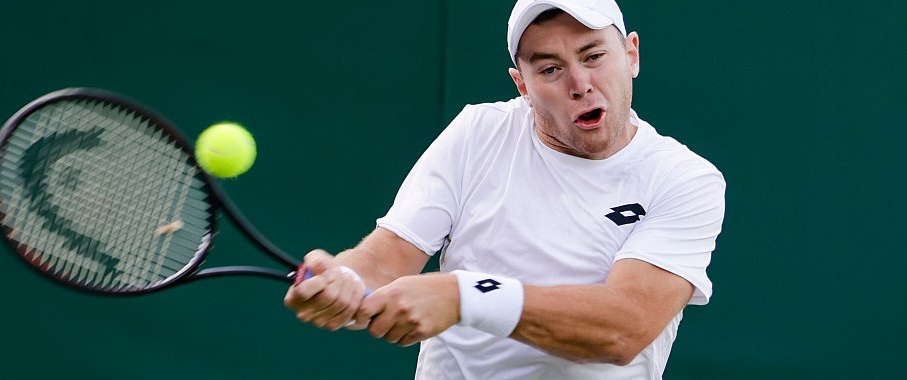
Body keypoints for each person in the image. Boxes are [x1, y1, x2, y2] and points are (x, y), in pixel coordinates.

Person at [284, 0, 726, 378]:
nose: (580, 84)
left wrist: (464, 295)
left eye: (593, 57)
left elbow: (624, 326)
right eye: (551, 69)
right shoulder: (479, 132)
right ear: (522, 85)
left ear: (631, 54)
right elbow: (386, 258)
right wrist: (344, 280)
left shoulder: (684, 179)